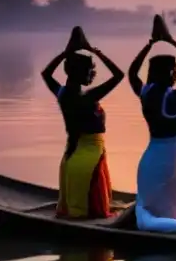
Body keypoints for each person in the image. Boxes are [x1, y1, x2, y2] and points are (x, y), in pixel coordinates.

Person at [127, 22, 176, 232]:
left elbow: (132, 73)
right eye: (173, 70)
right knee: (160, 212)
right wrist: (172, 41)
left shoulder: (146, 93)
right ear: (165, 73)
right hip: (167, 162)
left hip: (156, 159)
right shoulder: (173, 98)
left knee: (158, 208)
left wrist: (150, 44)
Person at [41, 29, 125, 219]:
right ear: (78, 72)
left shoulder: (62, 93)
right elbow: (119, 75)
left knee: (79, 211)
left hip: (70, 158)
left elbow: (46, 73)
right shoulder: (87, 96)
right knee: (93, 214)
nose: (92, 75)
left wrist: (66, 52)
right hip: (87, 160)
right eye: (89, 71)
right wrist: (95, 51)